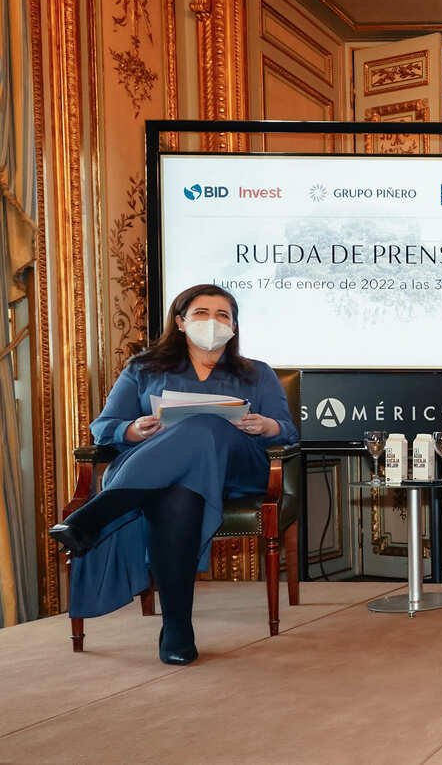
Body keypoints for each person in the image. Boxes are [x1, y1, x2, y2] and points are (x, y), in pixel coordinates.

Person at [48, 284, 298, 665]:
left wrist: (266, 425)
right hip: (163, 478)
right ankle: (177, 629)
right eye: (201, 313)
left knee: (207, 425)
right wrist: (133, 430)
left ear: (233, 326)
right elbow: (104, 427)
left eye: (223, 315)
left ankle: (99, 513)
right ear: (180, 322)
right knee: (176, 494)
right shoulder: (143, 369)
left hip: (236, 472)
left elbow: (289, 432)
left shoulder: (257, 373)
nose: (213, 322)